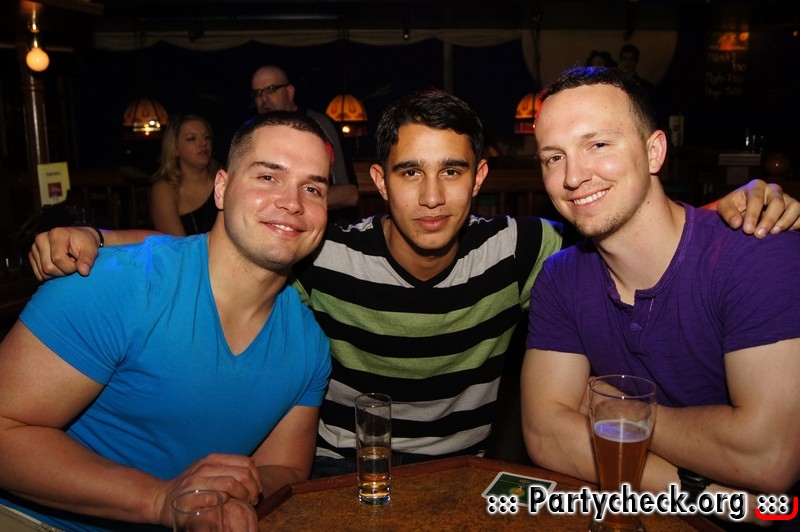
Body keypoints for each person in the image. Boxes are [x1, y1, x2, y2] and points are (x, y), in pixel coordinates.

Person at [26, 90, 800, 479]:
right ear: (377, 181)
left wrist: (726, 211)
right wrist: (96, 238)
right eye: (409, 173)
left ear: (481, 180)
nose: (432, 198)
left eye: (453, 172)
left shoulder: (526, 251)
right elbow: (218, 244)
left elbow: (620, 219)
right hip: (336, 478)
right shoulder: (323, 252)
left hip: (464, 481)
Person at [0, 111, 333, 531]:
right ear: (222, 188)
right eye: (268, 177)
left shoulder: (308, 345)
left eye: (312, 188)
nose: (293, 202)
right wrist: (159, 499)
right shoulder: (111, 285)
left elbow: (285, 467)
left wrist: (229, 494)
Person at [521, 67, 800, 521]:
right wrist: (698, 493)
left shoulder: (758, 251)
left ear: (654, 152)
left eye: (598, 144)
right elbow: (546, 435)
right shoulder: (560, 276)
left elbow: (769, 457)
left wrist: (611, 408)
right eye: (554, 157)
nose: (572, 176)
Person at [251, 65, 359, 224]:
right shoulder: (254, 133)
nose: (264, 99)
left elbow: (349, 194)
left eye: (271, 89)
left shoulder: (318, 126)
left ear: (289, 92)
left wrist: (296, 200)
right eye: (257, 93)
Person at [150, 114, 221, 236]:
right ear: (175, 148)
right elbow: (176, 244)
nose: (203, 143)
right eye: (192, 138)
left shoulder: (224, 179)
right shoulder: (164, 189)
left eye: (207, 137)